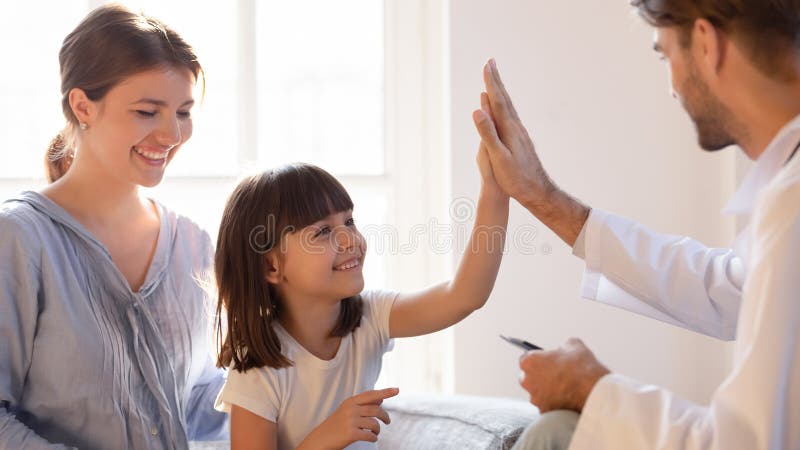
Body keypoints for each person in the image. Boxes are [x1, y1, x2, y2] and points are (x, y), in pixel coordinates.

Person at [470, 0, 800, 449]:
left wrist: (592, 387)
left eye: (664, 54)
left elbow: (749, 442)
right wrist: (540, 196)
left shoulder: (792, 201)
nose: (672, 87)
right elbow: (729, 288)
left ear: (706, 43)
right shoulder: (785, 195)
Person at [0, 5, 228, 449]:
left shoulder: (193, 244)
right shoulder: (19, 241)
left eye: (183, 112)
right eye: (147, 112)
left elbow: (199, 405)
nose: (171, 135)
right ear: (83, 106)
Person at [212, 161, 509, 450]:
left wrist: (494, 190)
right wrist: (327, 437)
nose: (350, 239)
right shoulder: (257, 370)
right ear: (271, 266)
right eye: (323, 231)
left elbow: (464, 296)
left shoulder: (371, 316)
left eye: (349, 221)